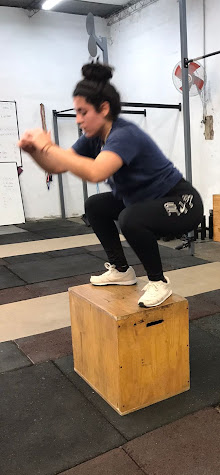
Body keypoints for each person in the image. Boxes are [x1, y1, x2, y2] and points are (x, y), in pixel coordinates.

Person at [18, 63, 204, 308]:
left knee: (130, 218)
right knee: (95, 206)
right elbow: (58, 166)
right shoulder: (93, 139)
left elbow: (96, 172)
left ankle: (159, 282)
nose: (78, 120)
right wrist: (35, 152)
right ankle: (121, 270)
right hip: (144, 200)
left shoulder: (124, 134)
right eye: (77, 112)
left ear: (104, 108)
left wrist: (48, 147)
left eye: (83, 112)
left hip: (182, 202)